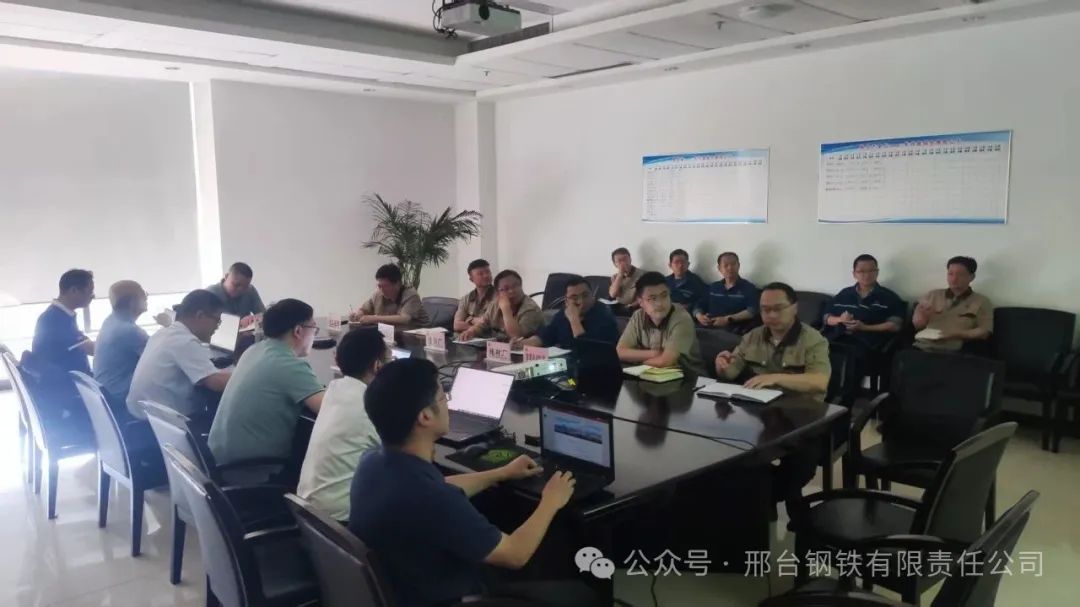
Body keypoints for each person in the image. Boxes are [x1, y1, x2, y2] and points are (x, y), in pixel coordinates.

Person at [349, 359, 597, 607]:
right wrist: (550, 501)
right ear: (425, 416)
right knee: (579, 595)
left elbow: (442, 485)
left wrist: (501, 473)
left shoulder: (372, 463)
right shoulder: (433, 499)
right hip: (445, 598)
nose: (449, 404)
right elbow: (515, 554)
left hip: (405, 585)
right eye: (443, 398)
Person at [209, 298, 326, 469]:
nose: (314, 335)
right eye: (314, 328)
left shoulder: (253, 350)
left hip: (217, 458)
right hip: (250, 467)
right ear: (298, 331)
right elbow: (330, 409)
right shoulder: (288, 364)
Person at [297, 329, 388, 522]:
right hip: (341, 523)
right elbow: (403, 453)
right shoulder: (370, 407)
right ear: (377, 366)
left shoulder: (334, 390)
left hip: (308, 514)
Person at [714, 282, 831, 401]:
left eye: (778, 308)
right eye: (765, 309)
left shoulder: (813, 339)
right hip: (759, 404)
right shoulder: (752, 336)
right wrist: (722, 366)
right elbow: (730, 374)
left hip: (799, 407)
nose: (772, 315)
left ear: (795, 308)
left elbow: (820, 382)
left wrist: (775, 378)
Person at [127, 289, 232, 420]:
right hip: (162, 422)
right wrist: (244, 373)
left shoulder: (165, 333)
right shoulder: (184, 341)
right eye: (217, 320)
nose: (217, 327)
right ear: (200, 316)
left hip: (142, 414)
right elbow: (216, 383)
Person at [822, 254, 905, 380]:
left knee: (851, 358)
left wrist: (864, 327)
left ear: (877, 272)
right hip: (838, 337)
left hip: (867, 343)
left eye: (871, 271)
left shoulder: (889, 297)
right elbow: (826, 317)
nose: (866, 275)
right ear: (854, 274)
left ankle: (847, 392)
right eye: (861, 271)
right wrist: (840, 320)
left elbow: (895, 325)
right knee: (819, 351)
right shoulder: (844, 294)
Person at [616, 271, 705, 375]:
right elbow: (620, 352)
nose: (660, 303)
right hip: (650, 376)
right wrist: (654, 353)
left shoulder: (682, 318)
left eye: (664, 296)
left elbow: (665, 362)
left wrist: (637, 362)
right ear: (640, 302)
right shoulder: (638, 316)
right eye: (653, 298)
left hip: (689, 377)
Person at [513, 275, 619, 350]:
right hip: (567, 367)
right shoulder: (563, 314)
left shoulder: (604, 314)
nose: (581, 301)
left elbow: (586, 349)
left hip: (594, 369)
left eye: (585, 295)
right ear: (566, 301)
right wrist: (522, 343)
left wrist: (574, 320)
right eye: (574, 297)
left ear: (593, 296)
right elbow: (546, 335)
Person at [913, 256, 993, 352]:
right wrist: (920, 317)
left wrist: (958, 334)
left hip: (956, 351)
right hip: (922, 346)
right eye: (950, 274)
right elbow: (918, 326)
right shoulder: (932, 295)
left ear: (971, 277)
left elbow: (984, 332)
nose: (954, 279)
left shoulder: (982, 301)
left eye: (960, 275)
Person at [93, 280, 150, 410]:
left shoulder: (110, 321)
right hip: (121, 398)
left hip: (107, 395)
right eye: (143, 294)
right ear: (132, 302)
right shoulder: (129, 330)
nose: (147, 297)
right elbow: (159, 355)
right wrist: (169, 326)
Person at [32, 268, 96, 376]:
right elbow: (91, 348)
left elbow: (84, 343)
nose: (93, 296)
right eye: (90, 292)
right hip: (65, 382)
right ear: (74, 290)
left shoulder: (61, 315)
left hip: (71, 378)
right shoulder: (55, 320)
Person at [461, 270, 544, 341]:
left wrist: (506, 310)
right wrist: (471, 331)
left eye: (515, 286)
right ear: (498, 293)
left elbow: (516, 337)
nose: (511, 291)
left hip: (524, 352)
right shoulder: (495, 304)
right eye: (506, 289)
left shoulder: (530, 309)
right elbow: (483, 324)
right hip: (498, 349)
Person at [695, 252, 759, 333]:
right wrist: (700, 316)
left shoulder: (748, 288)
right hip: (708, 327)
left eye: (733, 264)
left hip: (733, 330)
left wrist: (728, 319)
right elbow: (698, 305)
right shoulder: (713, 287)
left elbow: (752, 311)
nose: (730, 268)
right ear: (719, 268)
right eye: (726, 265)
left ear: (738, 266)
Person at [351, 264, 430, 327]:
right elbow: (365, 309)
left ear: (398, 284)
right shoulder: (378, 293)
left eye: (385, 286)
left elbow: (404, 319)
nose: (382, 290)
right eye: (379, 286)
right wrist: (358, 314)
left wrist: (374, 318)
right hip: (392, 334)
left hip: (418, 336)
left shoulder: (411, 295)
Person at [206, 262, 265, 328]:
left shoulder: (250, 290)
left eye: (245, 287)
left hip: (248, 333)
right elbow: (206, 324)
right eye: (236, 285)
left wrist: (256, 318)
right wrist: (238, 323)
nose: (240, 290)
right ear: (226, 276)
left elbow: (264, 314)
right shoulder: (210, 293)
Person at [454, 259, 495, 333]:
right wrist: (476, 327)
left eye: (488, 272)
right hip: (470, 337)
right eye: (480, 274)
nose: (486, 276)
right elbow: (457, 325)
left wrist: (469, 319)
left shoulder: (499, 296)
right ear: (471, 279)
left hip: (492, 338)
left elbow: (493, 324)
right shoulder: (466, 299)